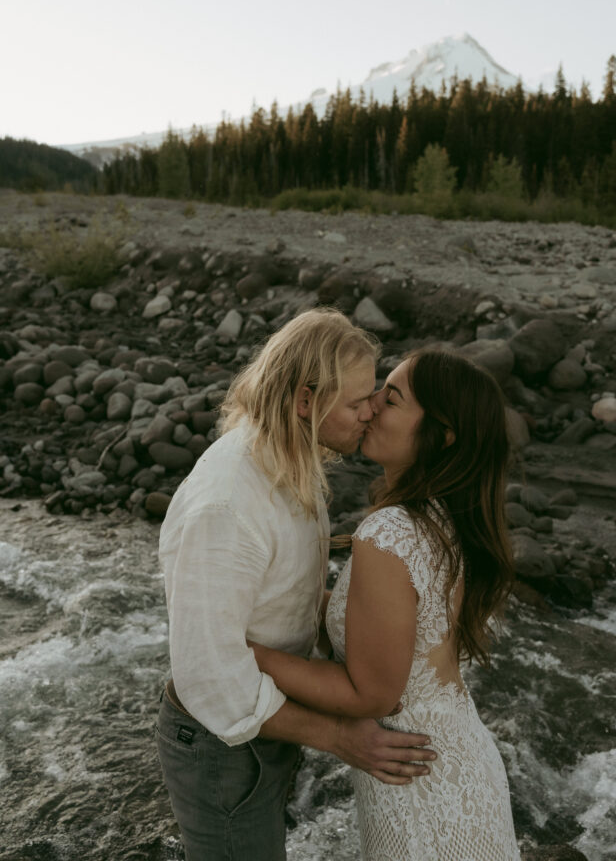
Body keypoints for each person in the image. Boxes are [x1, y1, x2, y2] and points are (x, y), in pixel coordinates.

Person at [155, 309, 436, 861]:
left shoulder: (289, 457)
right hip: (220, 742)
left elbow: (281, 594)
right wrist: (339, 736)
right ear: (306, 401)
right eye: (357, 402)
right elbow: (208, 675)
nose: (369, 413)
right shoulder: (228, 506)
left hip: (266, 721)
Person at [250, 347, 522, 860]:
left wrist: (247, 652)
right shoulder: (443, 518)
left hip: (421, 787)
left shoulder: (391, 532)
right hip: (452, 763)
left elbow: (371, 695)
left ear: (442, 436)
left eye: (391, 398)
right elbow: (394, 629)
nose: (370, 405)